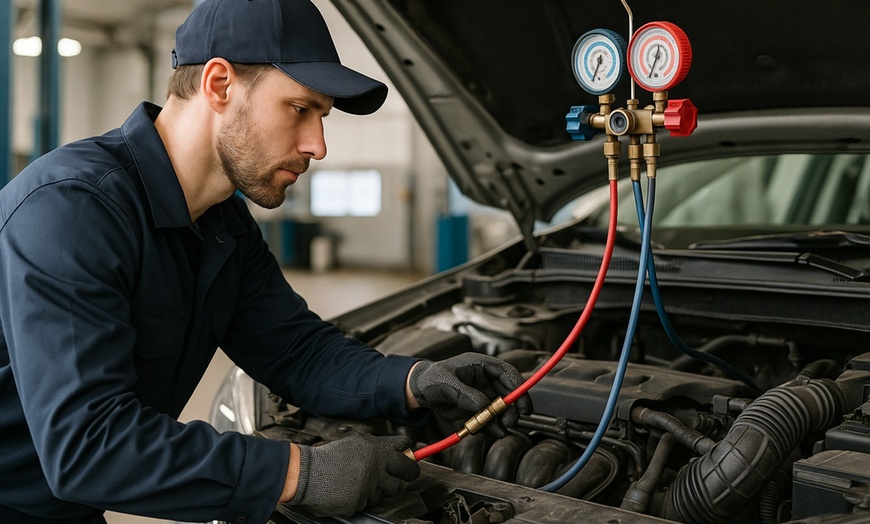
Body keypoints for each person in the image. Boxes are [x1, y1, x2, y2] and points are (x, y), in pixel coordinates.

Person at [0, 0, 533, 523]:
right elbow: (88, 446)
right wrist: (297, 473)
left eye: (322, 117)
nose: (318, 146)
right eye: (300, 109)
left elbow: (296, 351)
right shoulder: (72, 210)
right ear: (219, 85)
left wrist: (413, 381)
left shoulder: (222, 225)